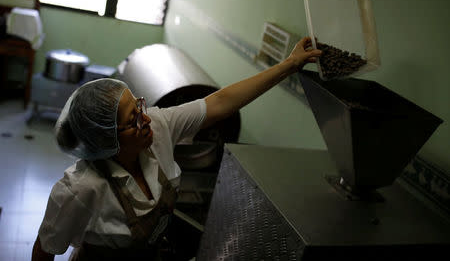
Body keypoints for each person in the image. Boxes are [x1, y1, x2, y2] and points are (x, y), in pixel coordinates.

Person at [31, 37, 321, 261]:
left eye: (139, 106)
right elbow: (45, 250)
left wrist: (289, 65)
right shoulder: (81, 189)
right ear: (107, 140)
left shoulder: (157, 126)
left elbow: (220, 102)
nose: (146, 119)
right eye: (133, 121)